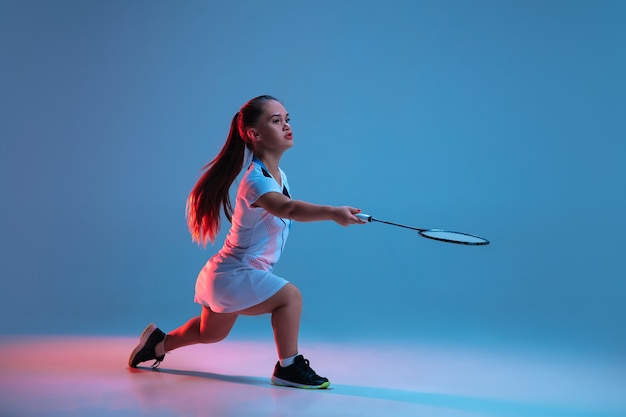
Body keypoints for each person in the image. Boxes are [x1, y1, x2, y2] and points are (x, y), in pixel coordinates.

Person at [128, 95, 364, 389]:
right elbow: (287, 209)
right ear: (255, 134)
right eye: (276, 121)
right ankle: (288, 367)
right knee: (290, 298)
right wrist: (333, 213)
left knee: (209, 333)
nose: (287, 126)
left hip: (229, 273)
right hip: (236, 274)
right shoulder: (255, 180)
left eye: (287, 119)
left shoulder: (277, 175)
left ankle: (157, 344)